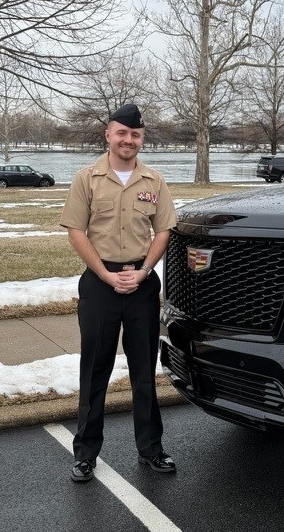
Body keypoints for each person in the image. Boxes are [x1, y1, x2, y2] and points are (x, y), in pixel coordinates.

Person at [60, 103, 177, 482]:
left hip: (142, 285)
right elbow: (76, 231)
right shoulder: (87, 178)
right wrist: (107, 277)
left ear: (142, 139)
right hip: (100, 285)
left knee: (145, 372)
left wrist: (144, 272)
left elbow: (164, 231)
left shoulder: (154, 181)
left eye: (136, 134)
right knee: (95, 370)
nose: (129, 140)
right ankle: (85, 453)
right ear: (108, 135)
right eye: (122, 133)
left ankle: (151, 450)